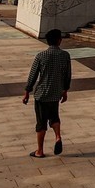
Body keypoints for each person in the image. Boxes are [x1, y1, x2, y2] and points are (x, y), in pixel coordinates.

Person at [23, 28, 71, 158]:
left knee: (41, 122)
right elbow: (67, 76)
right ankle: (58, 137)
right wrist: (65, 91)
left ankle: (39, 151)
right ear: (59, 41)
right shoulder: (65, 55)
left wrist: (27, 91)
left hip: (42, 94)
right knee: (54, 117)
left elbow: (33, 75)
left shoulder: (41, 56)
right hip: (56, 93)